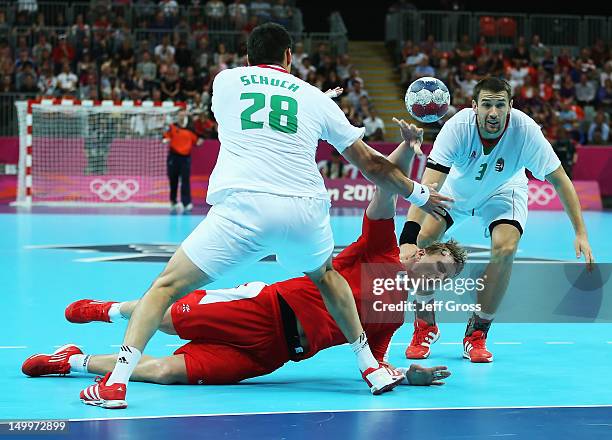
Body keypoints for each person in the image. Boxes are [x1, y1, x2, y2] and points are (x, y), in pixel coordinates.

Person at [81, 23, 452, 409]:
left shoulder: (225, 81)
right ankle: (369, 369)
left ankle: (116, 382)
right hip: (303, 210)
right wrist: (420, 193)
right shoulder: (315, 99)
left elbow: (263, 117)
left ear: (247, 58)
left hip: (244, 208)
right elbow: (372, 164)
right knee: (326, 277)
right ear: (290, 56)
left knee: (164, 289)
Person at [23, 128, 459, 399]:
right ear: (421, 251)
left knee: (167, 373)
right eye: (441, 268)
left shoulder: (394, 314)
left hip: (273, 355)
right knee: (168, 320)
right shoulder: (379, 251)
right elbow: (384, 192)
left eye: (446, 280)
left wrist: (404, 377)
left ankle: (71, 362)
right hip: (261, 309)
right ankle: (110, 310)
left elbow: (375, 362)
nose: (437, 281)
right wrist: (408, 148)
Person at [401, 77, 594, 364]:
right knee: (423, 242)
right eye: (487, 105)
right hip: (458, 191)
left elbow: (560, 180)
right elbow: (428, 187)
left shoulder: (526, 131)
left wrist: (580, 232)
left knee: (505, 248)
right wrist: (407, 240)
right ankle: (425, 324)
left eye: (500, 105)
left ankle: (477, 332)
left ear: (510, 106)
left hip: (504, 191)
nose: (493, 113)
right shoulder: (457, 128)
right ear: (475, 106)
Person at [163, 109, 204, 213]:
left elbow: (197, 141)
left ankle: (186, 203)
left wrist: (200, 141)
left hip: (185, 158)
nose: (181, 117)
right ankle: (173, 201)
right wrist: (165, 139)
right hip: (173, 157)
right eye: (179, 115)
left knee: (185, 181)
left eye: (183, 115)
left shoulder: (190, 129)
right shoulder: (173, 127)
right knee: (173, 180)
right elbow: (166, 136)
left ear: (185, 116)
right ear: (177, 116)